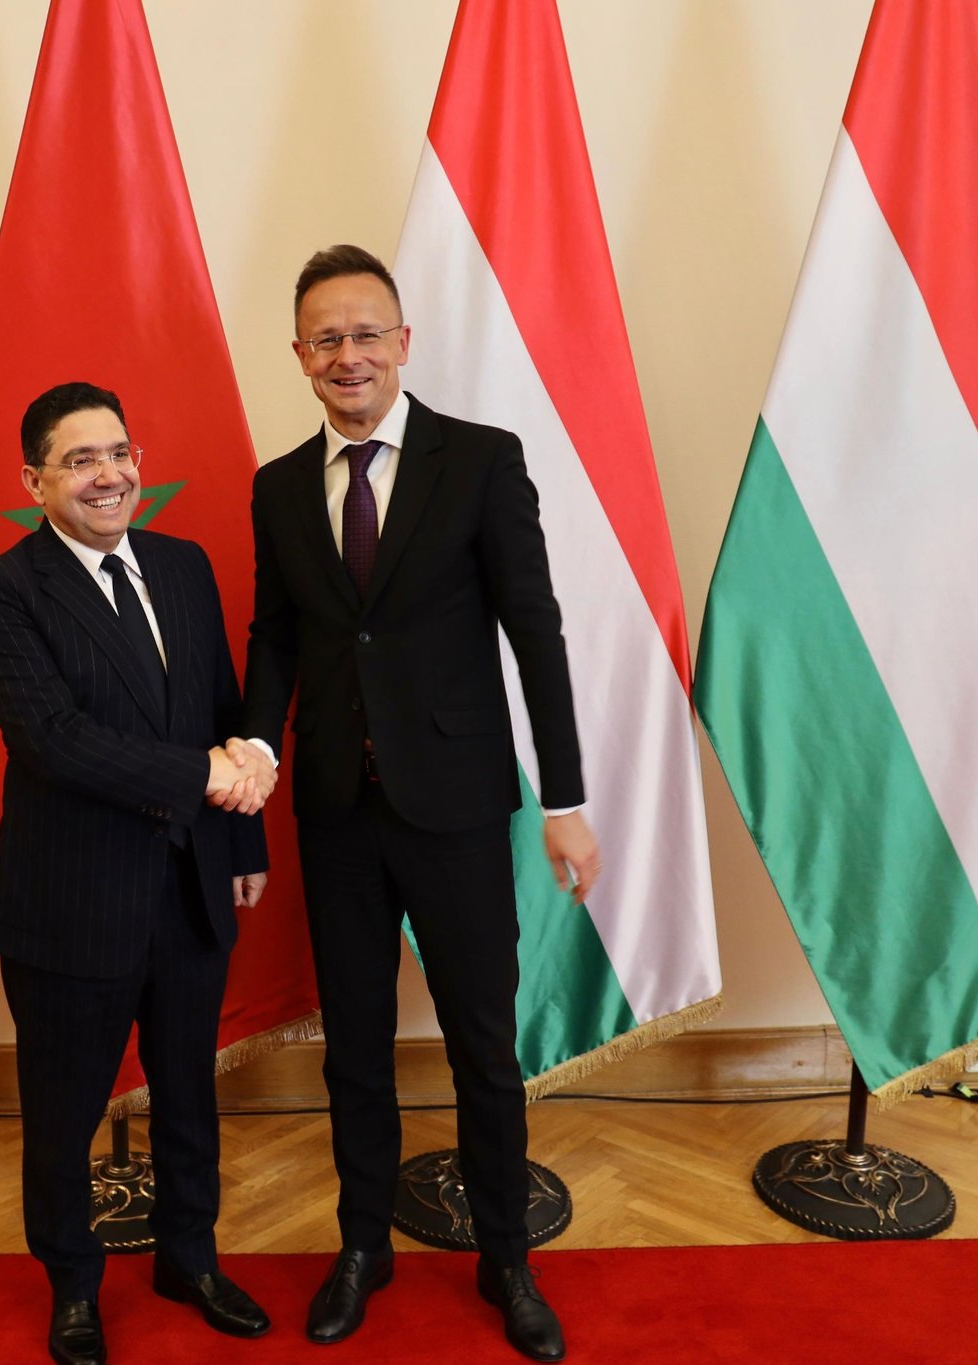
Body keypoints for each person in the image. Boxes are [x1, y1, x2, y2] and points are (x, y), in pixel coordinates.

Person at [235, 246, 602, 1363]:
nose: (347, 354)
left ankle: (505, 1257)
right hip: (335, 809)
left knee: (482, 1044)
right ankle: (363, 1245)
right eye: (326, 338)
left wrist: (565, 798)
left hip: (455, 806)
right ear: (300, 356)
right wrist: (254, 759)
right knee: (353, 1043)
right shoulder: (277, 486)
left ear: (402, 342)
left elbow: (535, 632)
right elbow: (274, 637)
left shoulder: (480, 460)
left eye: (365, 333)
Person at [0, 382, 275, 1365]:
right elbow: (54, 740)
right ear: (35, 481)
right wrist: (204, 776)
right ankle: (72, 1286)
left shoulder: (182, 565)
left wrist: (242, 844)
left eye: (119, 453)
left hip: (189, 891)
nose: (108, 475)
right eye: (80, 459)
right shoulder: (0, 589)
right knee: (63, 1117)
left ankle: (189, 1258)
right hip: (71, 905)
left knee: (188, 1096)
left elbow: (220, 709)